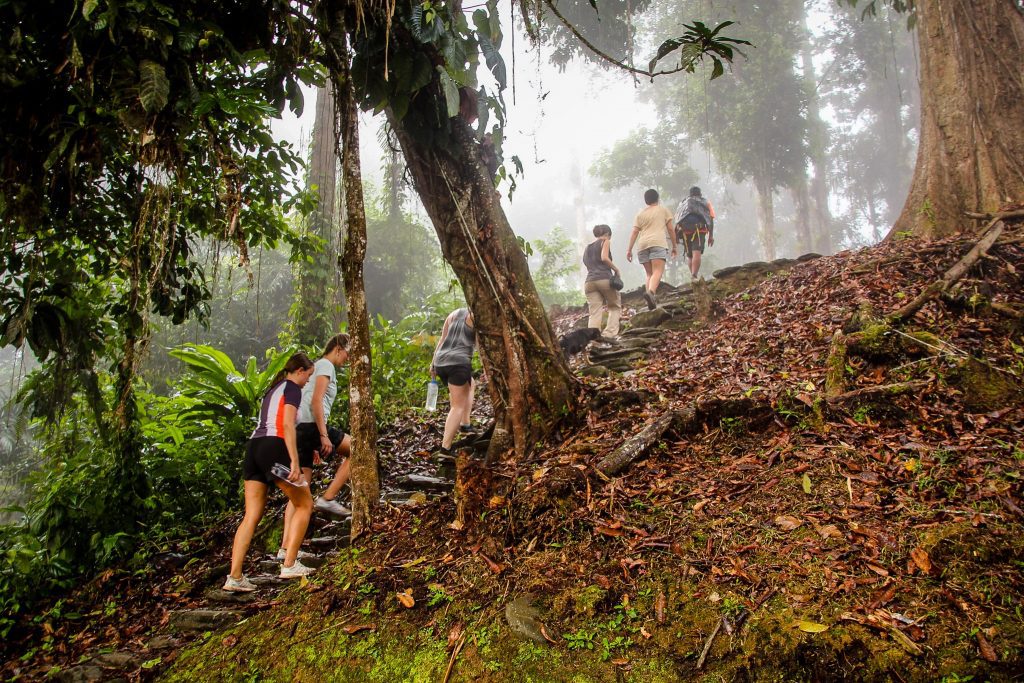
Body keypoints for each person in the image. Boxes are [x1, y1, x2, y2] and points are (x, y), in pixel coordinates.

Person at [224, 352, 317, 592]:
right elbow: (286, 424)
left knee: (251, 514)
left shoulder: (273, 389)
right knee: (305, 503)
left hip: (254, 448)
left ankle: (234, 577)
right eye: (308, 375)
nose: (308, 381)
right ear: (299, 371)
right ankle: (289, 563)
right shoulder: (293, 388)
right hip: (273, 447)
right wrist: (295, 462)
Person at [279, 334, 352, 562]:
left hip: (302, 430)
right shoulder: (326, 365)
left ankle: (285, 548)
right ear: (338, 348)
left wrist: (311, 443)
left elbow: (307, 398)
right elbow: (316, 401)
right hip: (311, 427)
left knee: (300, 491)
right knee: (358, 450)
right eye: (348, 351)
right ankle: (328, 498)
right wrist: (322, 435)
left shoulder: (317, 367)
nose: (349, 358)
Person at [430, 308, 476, 459]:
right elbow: (480, 345)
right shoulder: (475, 316)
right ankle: (445, 449)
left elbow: (442, 340)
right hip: (458, 363)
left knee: (471, 384)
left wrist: (432, 364)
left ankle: (465, 424)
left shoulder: (452, 314)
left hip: (441, 362)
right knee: (457, 406)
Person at [626, 189, 677, 310]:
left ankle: (648, 301)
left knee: (649, 274)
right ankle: (651, 293)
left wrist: (629, 249)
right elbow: (670, 229)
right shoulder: (663, 209)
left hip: (642, 245)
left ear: (646, 200)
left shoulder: (640, 214)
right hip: (657, 242)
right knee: (658, 271)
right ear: (657, 198)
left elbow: (634, 232)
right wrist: (674, 246)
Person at [583, 224, 622, 338]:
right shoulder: (605, 241)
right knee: (614, 306)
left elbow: (586, 263)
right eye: (609, 236)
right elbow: (604, 257)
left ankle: (592, 338)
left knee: (594, 312)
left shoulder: (587, 248)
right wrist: (616, 270)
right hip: (604, 279)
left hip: (589, 282)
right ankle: (608, 335)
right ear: (607, 234)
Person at [675, 186, 716, 279]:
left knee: (689, 255)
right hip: (699, 231)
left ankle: (693, 276)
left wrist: (676, 235)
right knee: (696, 252)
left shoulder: (683, 203)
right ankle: (694, 275)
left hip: (685, 232)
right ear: (700, 194)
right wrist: (711, 236)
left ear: (690, 194)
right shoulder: (705, 202)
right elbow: (710, 219)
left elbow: (677, 218)